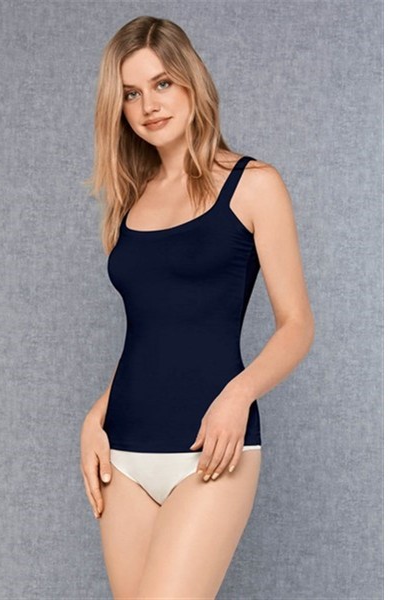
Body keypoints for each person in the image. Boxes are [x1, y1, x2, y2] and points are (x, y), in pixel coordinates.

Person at [80, 15, 315, 600]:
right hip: (122, 450)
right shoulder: (129, 202)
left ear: (191, 81)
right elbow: (152, 331)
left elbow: (297, 326)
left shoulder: (253, 184)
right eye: (131, 93)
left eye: (161, 83)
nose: (148, 106)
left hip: (211, 448)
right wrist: (94, 418)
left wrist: (238, 396)